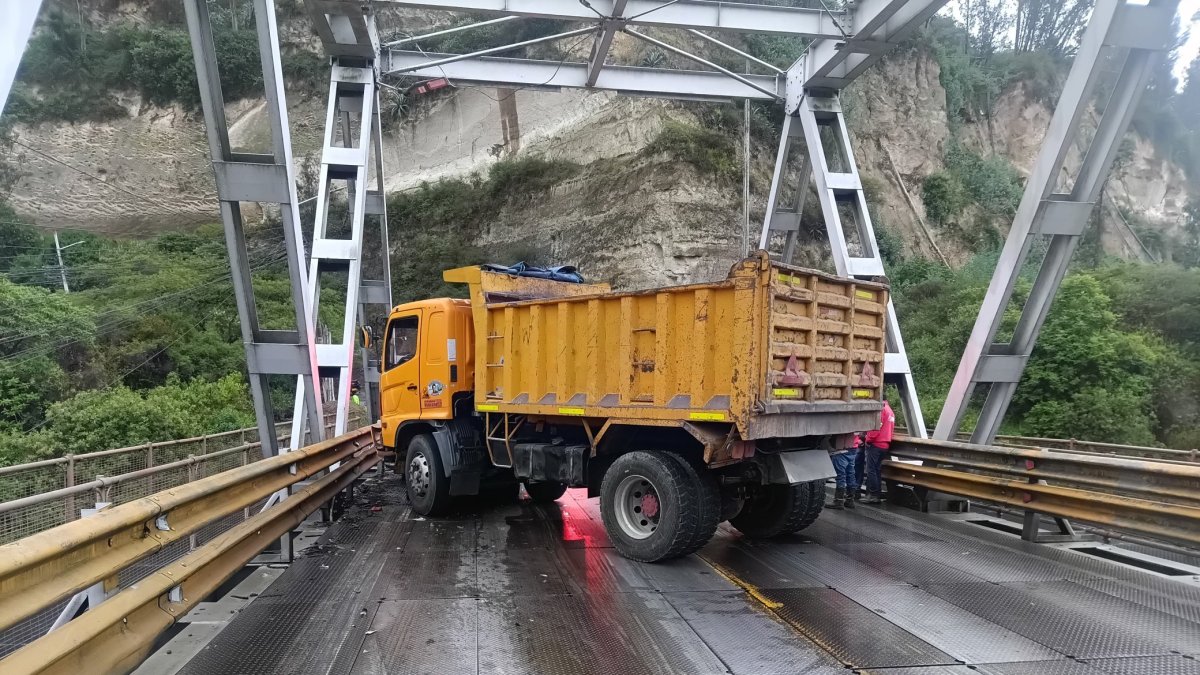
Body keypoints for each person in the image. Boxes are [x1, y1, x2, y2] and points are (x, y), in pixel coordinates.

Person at [862, 399, 895, 504]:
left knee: (871, 470)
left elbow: (875, 427)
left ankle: (873, 495)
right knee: (876, 470)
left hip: (876, 444)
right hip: (885, 444)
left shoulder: (881, 410)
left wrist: (868, 439)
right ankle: (876, 495)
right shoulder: (890, 410)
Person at [826, 434, 858, 510]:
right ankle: (850, 500)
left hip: (841, 447)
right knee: (850, 474)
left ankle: (838, 501)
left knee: (840, 475)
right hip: (853, 446)